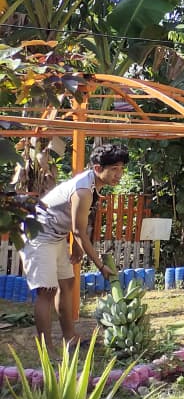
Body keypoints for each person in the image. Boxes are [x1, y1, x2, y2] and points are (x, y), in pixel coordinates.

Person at [21, 143, 127, 350]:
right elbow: (79, 230)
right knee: (47, 291)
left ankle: (70, 338)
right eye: (114, 169)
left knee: (67, 284)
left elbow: (77, 221)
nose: (119, 174)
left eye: (121, 169)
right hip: (39, 235)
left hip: (57, 235)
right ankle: (46, 349)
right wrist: (99, 265)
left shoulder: (93, 185)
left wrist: (77, 247)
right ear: (97, 169)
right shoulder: (83, 190)